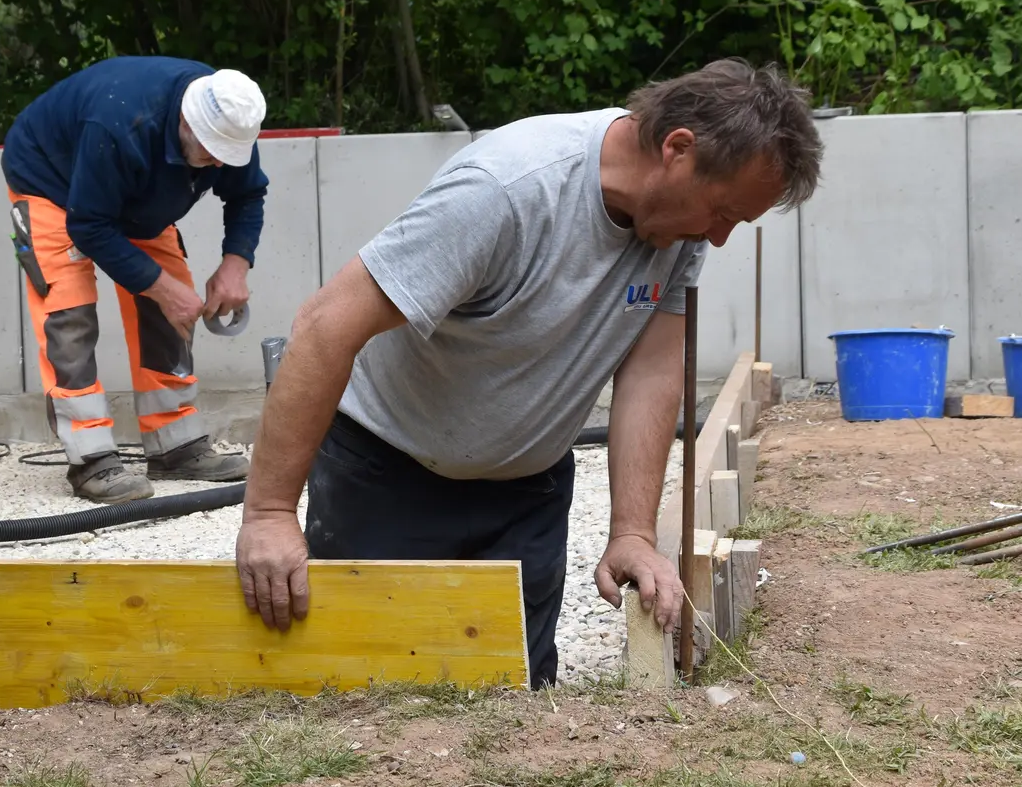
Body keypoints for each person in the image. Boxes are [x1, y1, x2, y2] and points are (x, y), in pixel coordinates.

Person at [233, 58, 823, 688]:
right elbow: (325, 325)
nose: (722, 237)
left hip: (525, 492)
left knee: (517, 704)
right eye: (724, 213)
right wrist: (268, 512)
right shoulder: (507, 191)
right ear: (679, 150)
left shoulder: (682, 228)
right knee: (370, 697)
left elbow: (652, 371)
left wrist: (632, 531)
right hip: (387, 473)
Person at [1, 56, 269, 503]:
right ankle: (91, 461)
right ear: (186, 119)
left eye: (227, 156)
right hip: (50, 182)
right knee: (69, 315)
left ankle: (175, 447)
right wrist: (163, 290)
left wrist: (235, 263)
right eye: (209, 152)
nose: (218, 164)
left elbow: (247, 193)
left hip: (132, 196)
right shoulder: (120, 123)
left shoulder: (231, 120)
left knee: (170, 312)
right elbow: (88, 226)